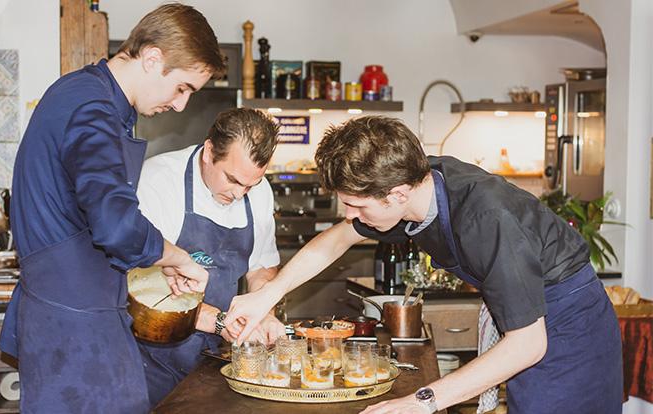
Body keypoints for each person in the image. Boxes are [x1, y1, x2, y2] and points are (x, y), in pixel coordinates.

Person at [224, 116, 623, 413]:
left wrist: (422, 401)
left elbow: (528, 344)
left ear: (396, 195)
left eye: (356, 204)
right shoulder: (416, 184)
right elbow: (339, 239)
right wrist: (268, 295)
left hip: (569, 328)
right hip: (529, 321)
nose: (350, 214)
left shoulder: (485, 218)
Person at [0, 4, 226, 413]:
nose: (180, 106)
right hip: (73, 327)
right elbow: (116, 225)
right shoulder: (91, 108)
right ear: (152, 57)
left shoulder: (94, 99)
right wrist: (176, 256)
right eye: (183, 88)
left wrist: (161, 261)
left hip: (80, 315)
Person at [135, 108, 285, 404]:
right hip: (154, 352)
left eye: (250, 185)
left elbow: (262, 268)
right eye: (232, 179)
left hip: (217, 354)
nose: (241, 193)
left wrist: (264, 311)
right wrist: (218, 320)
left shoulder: (259, 190)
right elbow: (141, 281)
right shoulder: (159, 181)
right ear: (209, 152)